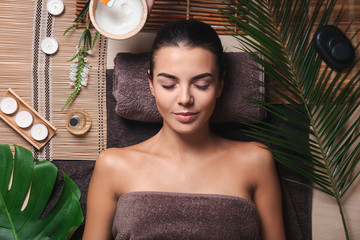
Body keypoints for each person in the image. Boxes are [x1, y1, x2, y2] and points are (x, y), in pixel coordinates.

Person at [83, 20, 285, 240]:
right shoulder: (113, 165)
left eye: (202, 85)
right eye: (169, 85)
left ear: (220, 84)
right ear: (151, 84)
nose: (185, 99)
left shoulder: (256, 161)